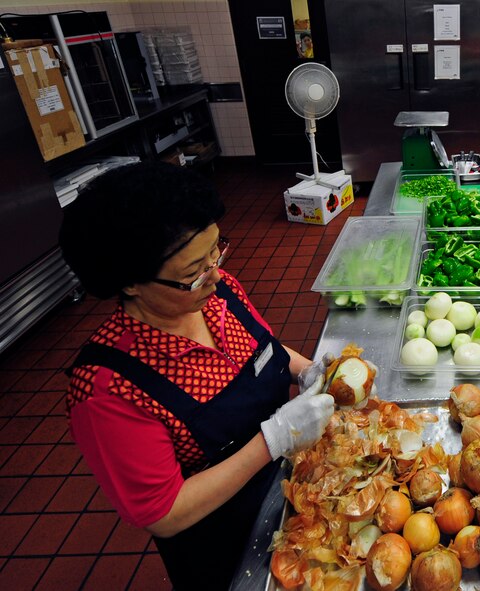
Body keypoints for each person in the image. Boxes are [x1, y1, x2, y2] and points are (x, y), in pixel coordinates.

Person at [59, 162, 336, 590]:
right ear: (131, 283)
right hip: (228, 540)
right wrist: (273, 440)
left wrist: (306, 371)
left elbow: (265, 347)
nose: (215, 271)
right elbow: (163, 512)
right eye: (193, 272)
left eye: (217, 250)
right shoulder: (108, 387)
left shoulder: (217, 291)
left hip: (297, 494)